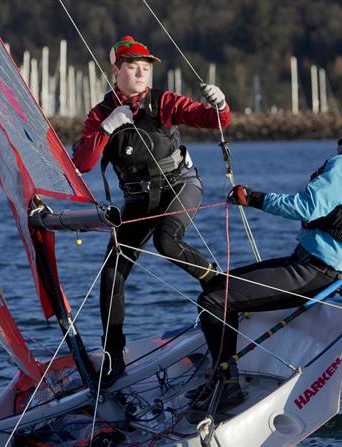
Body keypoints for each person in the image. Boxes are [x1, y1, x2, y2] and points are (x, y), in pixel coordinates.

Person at [193, 109, 342, 410]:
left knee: (212, 300)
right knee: (221, 285)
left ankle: (227, 384)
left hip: (307, 272)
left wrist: (252, 197)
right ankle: (224, 370)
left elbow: (307, 208)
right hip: (324, 278)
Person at [72, 35, 231, 387]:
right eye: (132, 66)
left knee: (167, 242)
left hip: (180, 184)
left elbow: (211, 120)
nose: (141, 72)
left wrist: (220, 106)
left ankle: (224, 290)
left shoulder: (163, 102)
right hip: (138, 200)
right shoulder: (100, 114)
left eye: (145, 67)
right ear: (115, 70)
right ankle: (114, 358)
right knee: (112, 276)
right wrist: (107, 127)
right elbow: (82, 162)